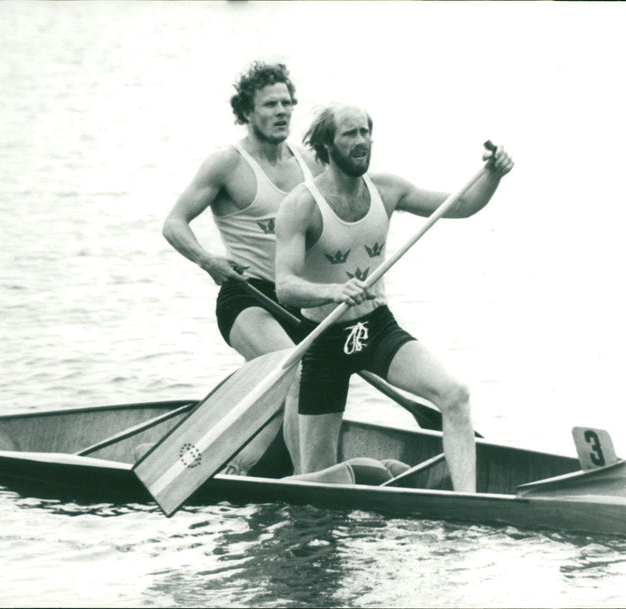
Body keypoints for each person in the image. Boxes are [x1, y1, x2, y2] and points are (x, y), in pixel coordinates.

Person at [275, 105, 514, 491]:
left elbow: (464, 205)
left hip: (376, 328)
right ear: (326, 145)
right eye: (350, 134)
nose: (361, 142)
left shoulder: (387, 189)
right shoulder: (301, 205)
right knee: (316, 484)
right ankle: (347, 484)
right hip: (324, 341)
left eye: (365, 133)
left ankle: (468, 503)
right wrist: (333, 290)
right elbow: (285, 285)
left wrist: (493, 175)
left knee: (454, 395)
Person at [162, 62, 322, 474]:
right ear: (247, 112)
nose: (282, 111)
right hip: (246, 297)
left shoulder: (308, 162)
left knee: (313, 386)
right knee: (296, 371)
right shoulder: (228, 163)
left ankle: (251, 463)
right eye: (270, 104)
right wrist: (208, 260)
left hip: (296, 302)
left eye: (287, 102)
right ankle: (310, 482)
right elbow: (174, 223)